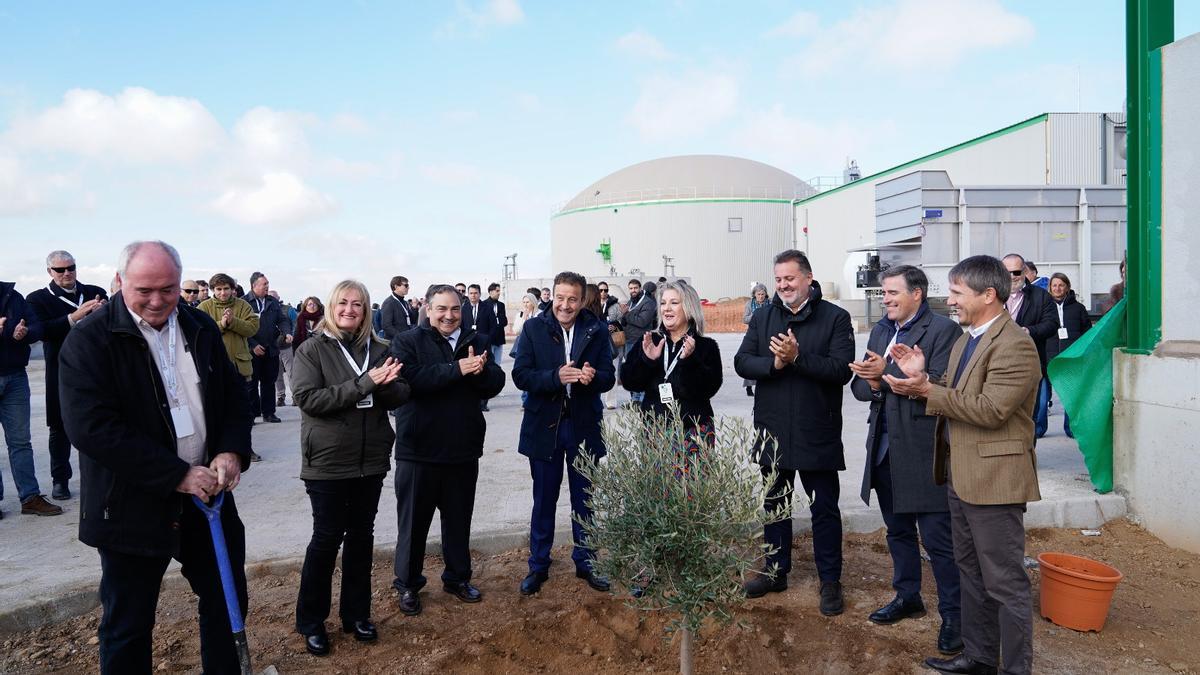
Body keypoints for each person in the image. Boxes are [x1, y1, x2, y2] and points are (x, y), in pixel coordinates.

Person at [58, 240, 253, 674]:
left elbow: (234, 396)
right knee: (128, 623)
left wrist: (231, 449)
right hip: (130, 505)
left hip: (207, 498)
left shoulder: (199, 325)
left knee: (227, 603)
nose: (157, 300)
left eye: (168, 289)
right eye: (144, 290)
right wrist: (175, 474)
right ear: (119, 281)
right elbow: (92, 428)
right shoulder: (90, 341)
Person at [884, 255, 1042, 675]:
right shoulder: (966, 339)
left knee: (1004, 582)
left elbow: (991, 409)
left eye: (957, 292)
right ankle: (980, 657)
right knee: (971, 573)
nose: (950, 300)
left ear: (988, 295)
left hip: (994, 481)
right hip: (961, 475)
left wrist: (925, 391)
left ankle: (1016, 668)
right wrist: (923, 377)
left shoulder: (1015, 345)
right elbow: (956, 394)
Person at [290, 279, 409, 656]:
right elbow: (308, 399)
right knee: (326, 539)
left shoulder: (381, 348)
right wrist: (365, 383)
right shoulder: (312, 349)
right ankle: (311, 621)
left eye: (357, 304)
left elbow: (400, 394)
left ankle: (356, 615)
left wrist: (387, 385)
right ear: (331, 306)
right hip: (328, 462)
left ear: (366, 310)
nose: (349, 310)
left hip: (370, 460)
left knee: (361, 538)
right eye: (343, 303)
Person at [848, 265, 963, 655]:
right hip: (883, 449)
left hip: (923, 450)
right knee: (897, 532)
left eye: (893, 292)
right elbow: (860, 388)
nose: (886, 300)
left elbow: (944, 386)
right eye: (884, 293)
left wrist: (886, 374)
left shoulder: (944, 332)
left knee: (938, 539)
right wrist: (873, 381)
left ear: (917, 294)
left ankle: (954, 616)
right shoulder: (881, 330)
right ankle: (908, 595)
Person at [734, 249, 854, 616]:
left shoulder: (835, 318)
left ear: (808, 278)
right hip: (773, 430)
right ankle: (775, 571)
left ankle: (830, 580)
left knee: (824, 510)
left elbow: (841, 371)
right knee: (775, 506)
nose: (783, 285)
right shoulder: (763, 317)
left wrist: (798, 358)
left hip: (817, 430)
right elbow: (742, 362)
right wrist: (774, 363)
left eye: (790, 278)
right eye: (778, 279)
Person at [389, 284, 505, 616]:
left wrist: (480, 372)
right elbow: (411, 380)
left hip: (462, 449)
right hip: (419, 450)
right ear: (428, 309)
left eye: (455, 309)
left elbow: (494, 383)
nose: (449, 316)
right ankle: (408, 584)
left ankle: (457, 578)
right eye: (441, 309)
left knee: (458, 521)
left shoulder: (476, 340)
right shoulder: (407, 341)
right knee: (413, 525)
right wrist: (458, 369)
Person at [512, 271, 615, 596]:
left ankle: (586, 562)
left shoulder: (597, 330)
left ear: (582, 300)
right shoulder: (533, 328)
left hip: (583, 426)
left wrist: (593, 377)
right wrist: (554, 377)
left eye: (572, 299)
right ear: (552, 296)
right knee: (544, 498)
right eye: (560, 298)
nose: (565, 305)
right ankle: (538, 565)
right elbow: (521, 375)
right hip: (545, 427)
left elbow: (609, 377)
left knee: (585, 499)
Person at [26, 249, 109, 500]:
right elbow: (42, 331)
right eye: (60, 270)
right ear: (49, 271)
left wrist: (103, 313)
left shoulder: (94, 291)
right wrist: (74, 317)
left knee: (99, 424)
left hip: (97, 370)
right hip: (60, 371)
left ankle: (99, 478)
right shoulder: (38, 298)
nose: (67, 273)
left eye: (70, 267)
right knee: (59, 428)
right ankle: (60, 480)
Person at [620, 281, 722, 433]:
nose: (666, 308)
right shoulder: (649, 341)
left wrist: (689, 361)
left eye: (674, 303)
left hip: (693, 430)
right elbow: (629, 382)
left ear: (689, 308)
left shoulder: (706, 346)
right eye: (663, 303)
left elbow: (709, 390)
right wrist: (647, 361)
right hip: (655, 429)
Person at [0, 281, 59, 517]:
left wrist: (25, 333)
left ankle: (30, 497)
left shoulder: (13, 296)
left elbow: (37, 326)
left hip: (15, 377)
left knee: (21, 442)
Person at [197, 274, 261, 462]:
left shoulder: (243, 306)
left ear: (233, 289)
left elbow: (252, 328)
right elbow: (200, 332)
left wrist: (233, 321)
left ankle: (245, 449)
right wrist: (222, 324)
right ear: (213, 290)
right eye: (218, 289)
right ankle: (217, 450)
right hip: (214, 370)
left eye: (226, 289)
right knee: (217, 412)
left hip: (240, 368)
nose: (223, 293)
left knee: (243, 413)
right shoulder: (204, 308)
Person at [1001, 254, 1057, 439]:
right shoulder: (992, 295)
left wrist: (1029, 331)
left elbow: (1052, 324)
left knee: (1029, 414)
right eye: (1007, 272)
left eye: (1016, 272)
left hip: (1030, 364)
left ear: (1025, 272)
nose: (1012, 277)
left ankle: (1027, 451)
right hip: (998, 364)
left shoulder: (1041, 296)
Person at [1045, 273, 1092, 438]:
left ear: (1067, 287)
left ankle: (1070, 428)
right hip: (1048, 357)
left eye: (1061, 285)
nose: (1057, 288)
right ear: (1050, 288)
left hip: (1071, 358)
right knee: (1042, 398)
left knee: (1070, 396)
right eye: (1054, 285)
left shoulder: (1078, 308)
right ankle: (1038, 429)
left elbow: (1087, 332)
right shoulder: (1045, 307)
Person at [245, 272, 290, 424]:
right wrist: (252, 345)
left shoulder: (272, 302)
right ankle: (252, 413)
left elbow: (282, 320)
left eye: (267, 284)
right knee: (251, 384)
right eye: (264, 284)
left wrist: (287, 332)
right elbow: (239, 327)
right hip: (252, 351)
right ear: (254, 285)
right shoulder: (244, 302)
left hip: (271, 348)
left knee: (269, 382)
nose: (267, 286)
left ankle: (269, 413)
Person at [463, 284, 499, 411]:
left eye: (475, 293)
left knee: (484, 369)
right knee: (472, 370)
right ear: (468, 294)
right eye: (471, 293)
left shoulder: (487, 308)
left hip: (483, 343)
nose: (473, 295)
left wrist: (488, 339)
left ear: (479, 294)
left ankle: (483, 403)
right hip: (468, 344)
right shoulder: (463, 308)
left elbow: (493, 326)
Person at [622, 279, 657, 404]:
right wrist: (623, 317)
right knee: (632, 371)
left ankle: (642, 400)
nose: (633, 290)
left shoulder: (648, 303)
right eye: (631, 288)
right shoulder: (631, 301)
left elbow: (642, 321)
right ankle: (634, 400)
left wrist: (627, 315)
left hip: (641, 341)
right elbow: (625, 319)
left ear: (640, 288)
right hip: (628, 340)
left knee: (641, 370)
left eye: (635, 288)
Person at [742, 283, 770, 397]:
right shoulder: (750, 304)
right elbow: (745, 319)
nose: (761, 296)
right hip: (753, 336)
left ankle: (766, 385)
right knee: (751, 361)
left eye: (763, 294)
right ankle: (749, 386)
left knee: (765, 360)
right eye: (759, 294)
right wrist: (756, 315)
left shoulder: (770, 303)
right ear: (754, 294)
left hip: (767, 335)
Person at [272, 290, 297, 407]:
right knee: (277, 374)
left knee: (291, 373)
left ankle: (295, 396)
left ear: (278, 298)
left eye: (274, 297)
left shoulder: (288, 309)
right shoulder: (266, 310)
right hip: (273, 347)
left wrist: (291, 335)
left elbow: (295, 324)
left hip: (286, 346)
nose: (272, 298)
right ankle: (280, 397)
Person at [380, 275, 418, 340]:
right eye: (406, 285)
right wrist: (401, 337)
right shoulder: (389, 302)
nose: (408, 287)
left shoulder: (405, 302)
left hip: (405, 339)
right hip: (395, 342)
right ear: (396, 286)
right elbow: (386, 326)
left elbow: (413, 320)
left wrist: (414, 307)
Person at [483, 282, 509, 366]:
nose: (499, 293)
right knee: (489, 364)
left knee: (497, 364)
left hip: (499, 339)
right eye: (497, 291)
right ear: (491, 292)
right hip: (489, 339)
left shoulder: (501, 305)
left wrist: (498, 320)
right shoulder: (484, 304)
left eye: (499, 291)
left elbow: (504, 321)